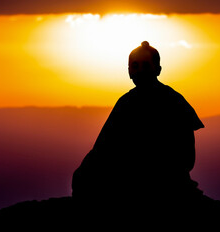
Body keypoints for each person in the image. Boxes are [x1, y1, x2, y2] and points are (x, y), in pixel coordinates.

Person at [72, 41, 204, 205]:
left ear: (158, 70)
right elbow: (103, 147)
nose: (140, 71)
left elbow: (186, 155)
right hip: (128, 178)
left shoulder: (174, 101)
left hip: (166, 183)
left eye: (145, 66)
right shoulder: (126, 103)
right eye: (135, 66)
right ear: (129, 71)